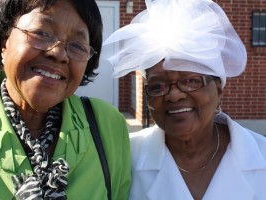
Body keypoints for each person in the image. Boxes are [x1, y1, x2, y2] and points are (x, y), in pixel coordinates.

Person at [0, 0, 131, 199]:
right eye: (42, 33)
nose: (58, 53)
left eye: (77, 45)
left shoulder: (108, 125)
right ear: (5, 41)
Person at [103, 0, 266, 199]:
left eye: (190, 81)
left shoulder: (261, 155)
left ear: (218, 88)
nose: (174, 95)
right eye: (158, 86)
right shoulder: (122, 157)